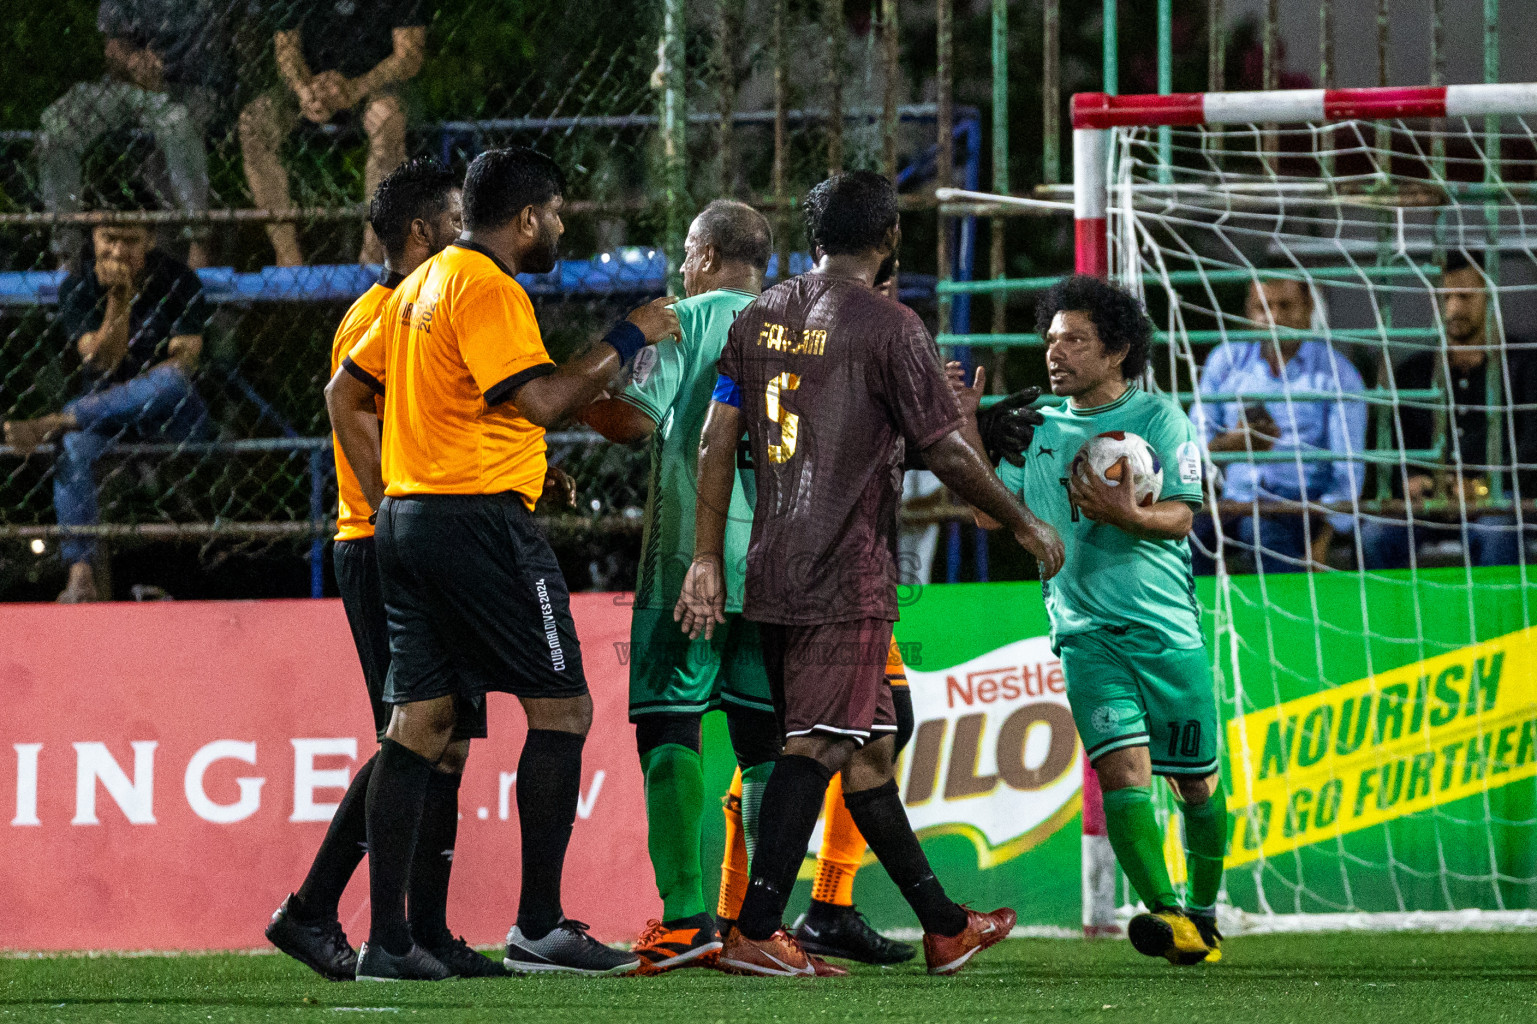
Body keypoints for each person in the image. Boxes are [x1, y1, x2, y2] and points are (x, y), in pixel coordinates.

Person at [675, 170, 1063, 978]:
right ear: (888, 240)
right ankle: (752, 927)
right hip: (842, 569)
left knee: (869, 749)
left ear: (811, 237)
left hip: (770, 563)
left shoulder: (757, 316)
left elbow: (718, 442)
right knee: (816, 743)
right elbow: (946, 447)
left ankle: (945, 925)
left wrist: (709, 555)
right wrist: (1023, 521)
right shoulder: (890, 325)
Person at [326, 146, 680, 980]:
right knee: (562, 710)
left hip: (404, 522)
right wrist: (633, 331)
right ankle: (540, 925)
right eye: (554, 213)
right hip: (478, 525)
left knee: (417, 724)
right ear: (525, 218)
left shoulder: (416, 286)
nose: (558, 226)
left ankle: (388, 943)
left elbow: (375, 390)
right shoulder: (489, 285)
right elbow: (544, 400)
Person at [581, 200, 914, 970]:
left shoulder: (685, 319)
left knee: (670, 724)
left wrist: (573, 399)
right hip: (784, 564)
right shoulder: (800, 318)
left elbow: (631, 422)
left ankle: (684, 919)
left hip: (688, 561)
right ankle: (756, 926)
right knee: (766, 745)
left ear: (699, 254)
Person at [264, 158, 513, 980]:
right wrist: (394, 508)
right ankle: (316, 910)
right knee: (413, 733)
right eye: (452, 217)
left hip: (406, 537)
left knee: (445, 742)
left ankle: (425, 933)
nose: (463, 229)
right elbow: (349, 407)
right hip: (380, 543)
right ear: (421, 231)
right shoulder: (382, 310)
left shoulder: (423, 302)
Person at [975, 275, 1227, 965]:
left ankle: (1204, 910)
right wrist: (980, 442)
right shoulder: (1036, 430)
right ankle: (1170, 920)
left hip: (1164, 633)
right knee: (1122, 775)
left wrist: (1130, 516)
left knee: (1195, 784)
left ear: (1116, 351)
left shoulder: (1158, 422)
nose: (1054, 353)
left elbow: (1181, 515)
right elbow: (979, 513)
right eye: (1050, 339)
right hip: (1084, 634)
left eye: (1074, 340)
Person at [3, 213, 209, 603]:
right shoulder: (78, 285)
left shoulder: (180, 280)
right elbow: (102, 362)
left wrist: (127, 395)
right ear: (93, 237)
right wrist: (119, 298)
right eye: (108, 238)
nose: (116, 250)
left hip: (172, 416)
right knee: (75, 447)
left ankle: (58, 419)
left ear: (149, 239)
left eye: (129, 240)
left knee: (171, 381)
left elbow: (184, 364)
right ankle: (80, 574)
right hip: (104, 419)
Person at [1362, 251, 1537, 568]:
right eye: (1445, 296)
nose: (1454, 307)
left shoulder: (1524, 365)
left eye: (1465, 295)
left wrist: (1482, 488)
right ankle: (1393, 619)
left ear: (1490, 296)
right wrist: (1413, 480)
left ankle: (1498, 620)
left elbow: (1531, 448)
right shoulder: (1412, 373)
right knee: (1377, 535)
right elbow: (1390, 447)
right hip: (1429, 503)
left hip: (1498, 501)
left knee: (1497, 530)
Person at [37, 1, 233, 267]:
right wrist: (134, 61)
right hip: (125, 87)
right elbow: (113, 45)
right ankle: (65, 252)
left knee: (178, 124)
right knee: (55, 129)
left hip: (187, 88)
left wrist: (161, 75)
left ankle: (198, 242)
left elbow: (221, 50)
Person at [1192, 276, 1366, 574]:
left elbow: (1348, 471)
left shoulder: (1336, 374)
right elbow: (1193, 439)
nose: (1274, 317)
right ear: (1249, 311)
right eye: (1263, 307)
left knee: (1259, 532)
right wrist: (1230, 445)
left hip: (1303, 506)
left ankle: (1294, 615)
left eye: (1285, 306)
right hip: (1236, 501)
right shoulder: (1226, 361)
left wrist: (1325, 539)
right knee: (1185, 534)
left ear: (1309, 307)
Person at [240, 1, 426, 266]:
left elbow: (409, 56)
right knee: (254, 123)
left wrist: (356, 88)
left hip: (377, 86)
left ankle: (373, 254)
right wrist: (307, 92)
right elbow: (286, 49)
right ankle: (288, 257)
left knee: (386, 119)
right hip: (312, 89)